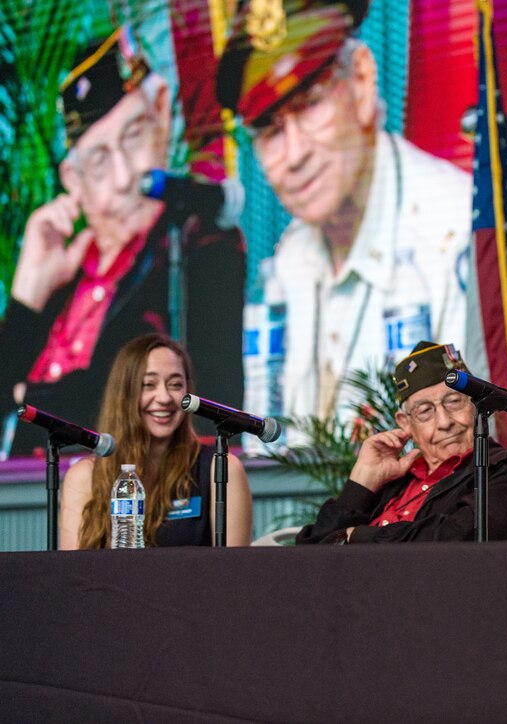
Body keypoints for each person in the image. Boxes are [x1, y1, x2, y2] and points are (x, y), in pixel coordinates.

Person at [215, 0, 470, 424]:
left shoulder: (456, 227)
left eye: (311, 104)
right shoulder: (288, 259)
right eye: (269, 130)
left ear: (363, 83)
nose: (294, 155)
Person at [0, 26, 245, 457]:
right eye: (98, 160)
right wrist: (26, 299)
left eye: (133, 136)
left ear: (162, 116)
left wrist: (29, 398)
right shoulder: (63, 272)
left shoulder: (196, 246)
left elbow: (143, 399)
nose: (123, 178)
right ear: (72, 180)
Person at [296, 341, 507, 543]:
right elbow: (310, 553)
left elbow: (457, 536)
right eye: (425, 411)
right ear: (405, 423)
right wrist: (362, 483)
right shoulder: (393, 483)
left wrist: (359, 536)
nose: (444, 421)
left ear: (474, 406)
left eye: (454, 402)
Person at [59, 333, 252, 548]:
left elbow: (234, 574)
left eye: (175, 385)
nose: (164, 398)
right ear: (123, 394)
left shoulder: (222, 469)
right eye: (149, 385)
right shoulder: (84, 476)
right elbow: (73, 576)